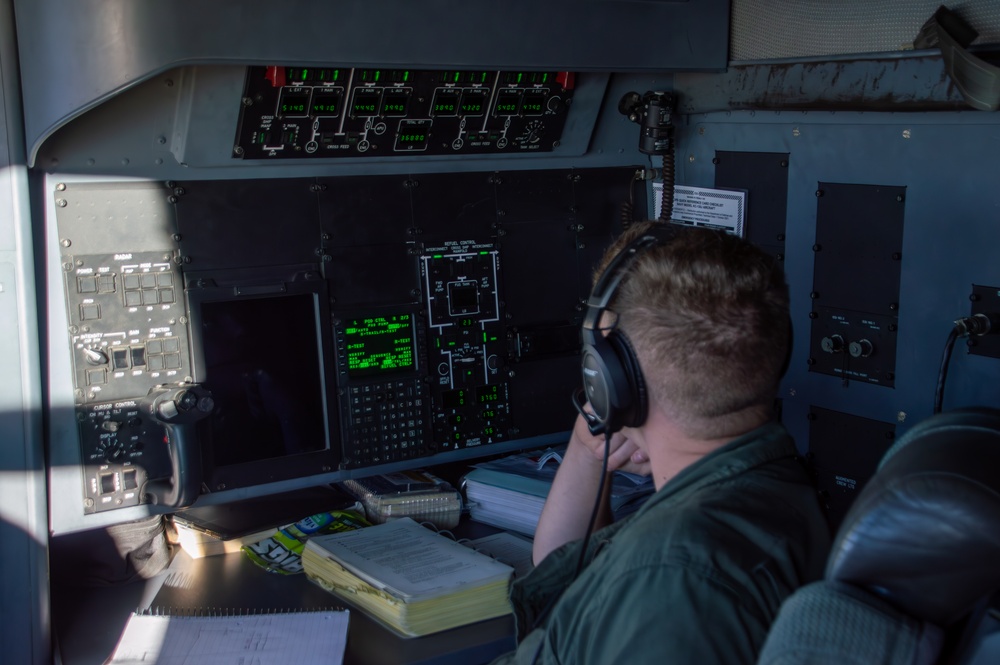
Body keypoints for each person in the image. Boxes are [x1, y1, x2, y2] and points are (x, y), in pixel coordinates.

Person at [491, 221, 831, 664]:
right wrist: (586, 448)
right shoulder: (769, 487)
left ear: (611, 379)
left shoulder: (674, 578)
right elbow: (572, 571)